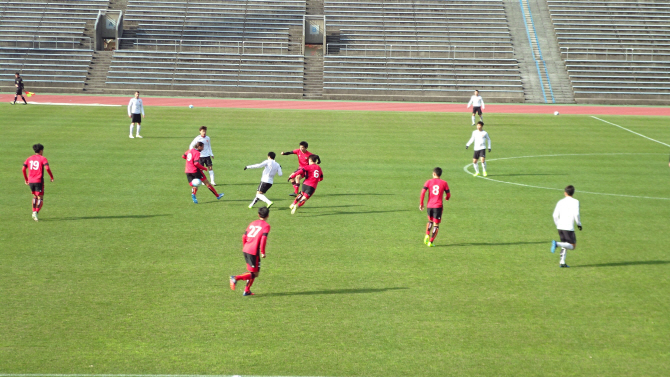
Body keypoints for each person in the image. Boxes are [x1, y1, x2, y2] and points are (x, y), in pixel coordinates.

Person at [230, 207, 271, 296]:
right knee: (255, 274)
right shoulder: (266, 226)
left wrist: (245, 246)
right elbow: (263, 239)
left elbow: (244, 236)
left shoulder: (252, 223)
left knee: (252, 272)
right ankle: (235, 278)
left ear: (258, 215)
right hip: (253, 251)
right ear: (268, 215)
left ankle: (247, 290)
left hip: (246, 248)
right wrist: (263, 252)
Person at [550, 185, 582, 268]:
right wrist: (579, 224)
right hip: (568, 227)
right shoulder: (575, 201)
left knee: (565, 244)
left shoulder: (560, 202)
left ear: (565, 193)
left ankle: (562, 262)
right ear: (573, 193)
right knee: (572, 246)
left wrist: (558, 224)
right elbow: (577, 214)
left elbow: (554, 215)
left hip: (560, 226)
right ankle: (556, 244)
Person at [22, 143, 54, 221]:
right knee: (40, 198)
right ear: (40, 151)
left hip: (31, 180)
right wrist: (51, 177)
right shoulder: (43, 158)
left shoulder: (29, 158)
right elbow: (47, 168)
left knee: (35, 196)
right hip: (39, 180)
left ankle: (34, 211)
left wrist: (26, 179)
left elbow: (23, 169)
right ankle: (35, 212)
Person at [419, 167, 451, 247]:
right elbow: (448, 194)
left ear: (434, 174)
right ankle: (431, 242)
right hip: (438, 206)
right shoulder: (444, 183)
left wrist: (421, 203)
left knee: (430, 220)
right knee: (436, 224)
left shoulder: (429, 182)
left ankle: (427, 234)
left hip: (430, 205)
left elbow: (423, 192)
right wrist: (447, 198)